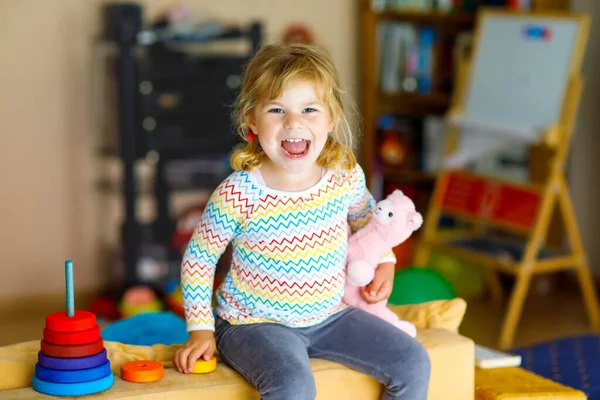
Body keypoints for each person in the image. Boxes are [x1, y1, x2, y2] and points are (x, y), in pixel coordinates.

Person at [173, 43, 430, 400]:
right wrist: (200, 329)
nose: (294, 123)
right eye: (277, 110)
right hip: (252, 324)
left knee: (414, 362)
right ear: (251, 119)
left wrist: (385, 262)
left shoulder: (343, 175)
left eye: (309, 109)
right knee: (293, 386)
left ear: (331, 117)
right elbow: (199, 259)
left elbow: (368, 221)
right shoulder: (238, 193)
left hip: (330, 315)